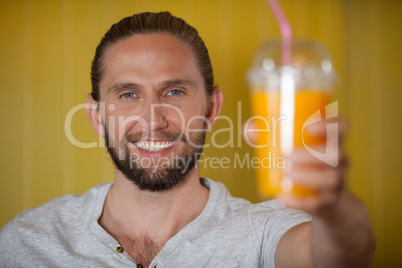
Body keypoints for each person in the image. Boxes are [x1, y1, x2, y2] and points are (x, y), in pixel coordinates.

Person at [0, 12, 374, 268]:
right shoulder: (24, 242)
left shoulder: (263, 232)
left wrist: (334, 208)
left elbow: (338, 257)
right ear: (97, 116)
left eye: (175, 92)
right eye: (128, 94)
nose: (153, 119)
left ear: (212, 108)